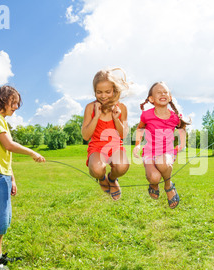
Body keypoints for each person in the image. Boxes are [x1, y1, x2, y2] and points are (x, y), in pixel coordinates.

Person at [0, 85, 45, 270]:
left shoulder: (0, 121)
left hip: (2, 175)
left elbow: (4, 155)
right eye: (13, 102)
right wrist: (32, 152)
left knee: (4, 220)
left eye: (17, 103)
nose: (16, 106)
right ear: (2, 100)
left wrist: (12, 179)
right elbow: (8, 145)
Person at [133, 82, 189, 209]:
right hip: (149, 153)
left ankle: (168, 185)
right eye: (159, 92)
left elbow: (182, 129)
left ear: (170, 97)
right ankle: (154, 184)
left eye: (165, 92)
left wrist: (182, 144)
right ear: (152, 99)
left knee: (163, 162)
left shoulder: (175, 117)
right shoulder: (146, 115)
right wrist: (137, 145)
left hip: (167, 152)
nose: (163, 94)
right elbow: (140, 128)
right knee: (154, 177)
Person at [81, 68, 130, 201]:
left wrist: (116, 118)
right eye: (99, 92)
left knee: (123, 166)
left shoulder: (122, 108)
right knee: (97, 169)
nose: (103, 96)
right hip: (97, 146)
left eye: (107, 92)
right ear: (94, 91)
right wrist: (96, 116)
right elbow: (85, 136)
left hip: (115, 146)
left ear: (114, 90)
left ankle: (112, 179)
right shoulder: (90, 107)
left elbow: (123, 135)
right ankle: (102, 178)